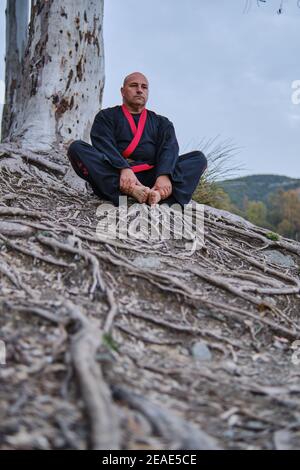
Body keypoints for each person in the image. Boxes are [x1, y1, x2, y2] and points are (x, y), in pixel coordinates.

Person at [67, 72, 207, 207]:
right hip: (117, 177)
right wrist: (123, 168)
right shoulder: (106, 116)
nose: (139, 90)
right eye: (134, 85)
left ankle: (158, 195)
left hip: (153, 177)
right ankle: (131, 192)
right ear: (122, 91)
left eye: (144, 87)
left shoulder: (162, 123)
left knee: (198, 159)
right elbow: (104, 144)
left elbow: (169, 149)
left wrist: (164, 175)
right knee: (77, 148)